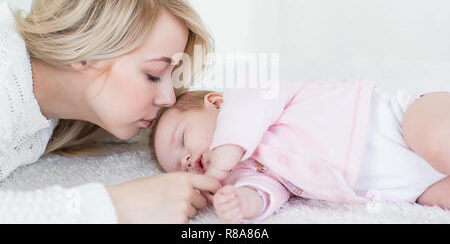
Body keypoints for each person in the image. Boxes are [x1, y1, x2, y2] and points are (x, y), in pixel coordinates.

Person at [0, 0, 221, 223]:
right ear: (84, 53)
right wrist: (117, 205)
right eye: (153, 74)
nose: (168, 98)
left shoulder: (58, 113)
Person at [151, 78, 450, 223]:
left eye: (182, 139)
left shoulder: (248, 99)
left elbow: (244, 115)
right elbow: (268, 190)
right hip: (409, 186)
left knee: (439, 141)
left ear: (215, 103)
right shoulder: (246, 169)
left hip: (399, 121)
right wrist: (242, 201)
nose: (187, 159)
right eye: (179, 164)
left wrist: (218, 168)